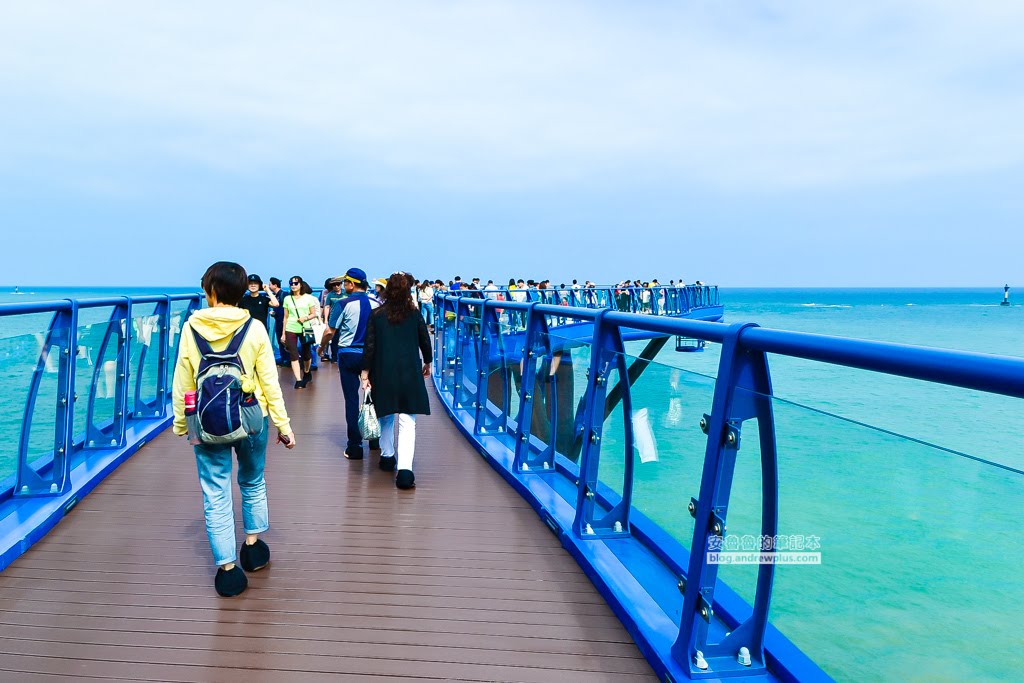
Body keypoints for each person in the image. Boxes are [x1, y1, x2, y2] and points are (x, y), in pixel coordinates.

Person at [172, 261, 296, 597]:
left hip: (207, 421)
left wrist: (182, 422)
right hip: (252, 416)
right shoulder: (254, 328)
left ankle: (227, 569)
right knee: (253, 479)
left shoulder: (191, 328)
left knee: (215, 491)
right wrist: (284, 426)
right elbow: (270, 381)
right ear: (241, 292)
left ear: (211, 291)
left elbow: (184, 380)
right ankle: (253, 548)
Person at [361, 272, 433, 489]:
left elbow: (370, 347)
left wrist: (365, 374)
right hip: (409, 372)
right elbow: (424, 339)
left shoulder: (376, 315)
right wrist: (427, 362)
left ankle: (387, 456)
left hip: (383, 372)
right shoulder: (414, 314)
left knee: (385, 415)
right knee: (407, 422)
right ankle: (405, 471)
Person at [322, 267, 380, 459]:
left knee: (352, 400)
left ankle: (354, 446)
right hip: (372, 356)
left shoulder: (343, 303)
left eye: (346, 282)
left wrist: (321, 348)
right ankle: (374, 440)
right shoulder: (377, 303)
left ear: (352, 284)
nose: (344, 286)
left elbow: (330, 331)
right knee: (373, 397)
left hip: (348, 354)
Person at [281, 276, 320, 389]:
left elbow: (314, 313)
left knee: (306, 353)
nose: (293, 285)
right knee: (293, 353)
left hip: (305, 327)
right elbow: (286, 317)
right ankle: (298, 379)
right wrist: (283, 333)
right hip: (291, 327)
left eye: (295, 283)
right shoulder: (287, 298)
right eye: (291, 283)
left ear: (301, 284)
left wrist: (306, 318)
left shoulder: (308, 298)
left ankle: (307, 372)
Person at [321, 276, 347, 362]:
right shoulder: (330, 295)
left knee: (343, 338)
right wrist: (325, 320)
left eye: (338, 284)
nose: (336, 286)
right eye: (334, 285)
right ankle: (334, 357)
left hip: (345, 320)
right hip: (334, 319)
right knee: (334, 339)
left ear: (341, 284)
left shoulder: (346, 294)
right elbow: (327, 307)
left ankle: (342, 356)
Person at [267, 277, 289, 366]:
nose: (269, 286)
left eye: (270, 284)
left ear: (275, 285)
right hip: (278, 319)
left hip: (283, 321)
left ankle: (287, 359)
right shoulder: (276, 296)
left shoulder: (283, 295)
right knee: (280, 340)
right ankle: (284, 358)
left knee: (284, 340)